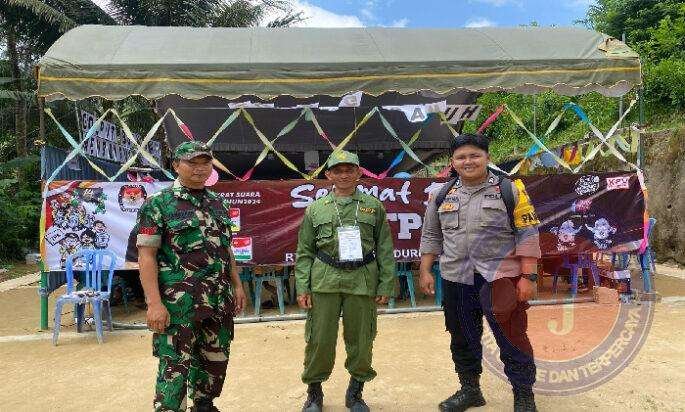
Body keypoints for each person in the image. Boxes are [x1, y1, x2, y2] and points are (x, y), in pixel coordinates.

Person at [418, 133, 541, 412]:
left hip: (501, 278)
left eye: (474, 155)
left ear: (487, 157)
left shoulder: (510, 190)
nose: (468, 161)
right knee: (462, 337)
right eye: (461, 157)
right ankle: (470, 390)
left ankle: (524, 395)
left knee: (512, 337)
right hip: (456, 279)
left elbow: (528, 234)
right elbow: (431, 235)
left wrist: (528, 276)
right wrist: (425, 270)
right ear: (452, 162)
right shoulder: (440, 195)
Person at [135, 141, 247, 412]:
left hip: (217, 300)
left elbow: (226, 249)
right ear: (176, 165)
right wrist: (154, 304)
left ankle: (204, 404)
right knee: (174, 365)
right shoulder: (158, 204)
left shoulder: (219, 203)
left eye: (205, 163)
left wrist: (237, 285)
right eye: (192, 163)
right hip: (179, 304)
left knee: (215, 360)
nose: (199, 169)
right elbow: (146, 256)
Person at [294, 150, 396, 412]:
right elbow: (304, 251)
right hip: (324, 280)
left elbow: (385, 248)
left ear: (359, 173)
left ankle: (356, 392)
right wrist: (302, 286)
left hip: (362, 279)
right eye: (337, 170)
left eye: (349, 169)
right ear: (328, 175)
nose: (344, 175)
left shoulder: (374, 207)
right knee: (319, 339)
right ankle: (314, 393)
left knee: (362, 339)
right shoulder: (316, 209)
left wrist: (386, 284)